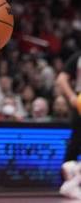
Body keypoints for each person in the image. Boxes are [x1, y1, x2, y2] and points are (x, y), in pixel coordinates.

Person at [56, 51, 81, 199]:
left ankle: (72, 174)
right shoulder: (78, 56)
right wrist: (71, 97)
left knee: (75, 142)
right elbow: (61, 79)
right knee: (76, 143)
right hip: (80, 101)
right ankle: (67, 180)